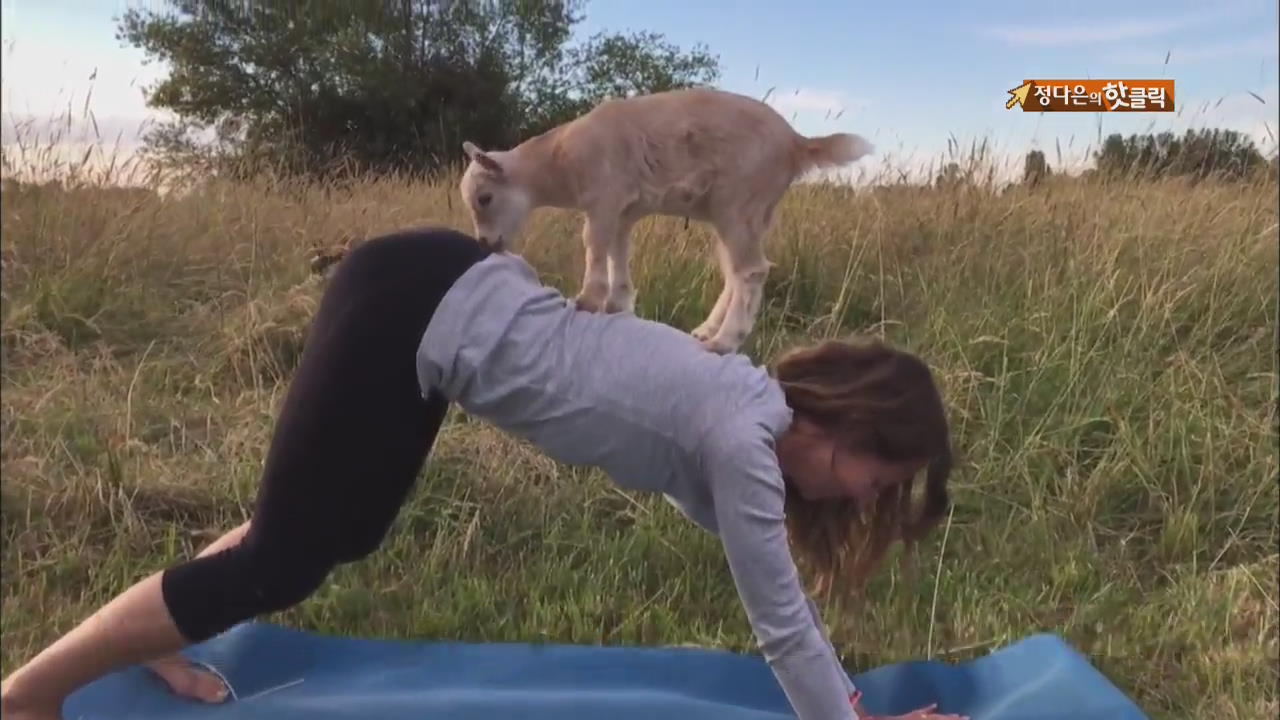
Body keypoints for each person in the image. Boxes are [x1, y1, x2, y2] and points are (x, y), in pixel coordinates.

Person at [0, 227, 963, 720]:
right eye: (878, 475)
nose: (867, 498)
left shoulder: (743, 419)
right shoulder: (744, 438)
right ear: (845, 419)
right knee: (284, 560)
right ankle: (31, 693)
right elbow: (781, 621)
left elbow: (782, 597)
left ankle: (163, 631)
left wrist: (845, 705)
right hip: (415, 303)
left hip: (432, 311)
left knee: (333, 533)